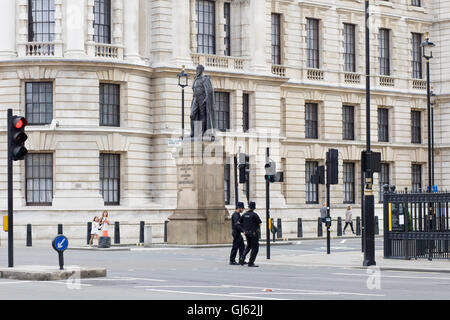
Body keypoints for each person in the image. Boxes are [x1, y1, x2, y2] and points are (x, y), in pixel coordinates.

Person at [190, 64, 216, 139]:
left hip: (202, 98)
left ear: (201, 70)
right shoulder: (196, 79)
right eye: (196, 69)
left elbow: (209, 91)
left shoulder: (205, 78)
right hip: (195, 98)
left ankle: (202, 132)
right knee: (192, 115)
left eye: (198, 70)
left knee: (202, 116)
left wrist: (206, 99)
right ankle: (193, 131)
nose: (197, 71)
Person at [239, 201, 262, 267]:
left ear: (249, 207)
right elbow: (260, 224)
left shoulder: (244, 214)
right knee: (255, 248)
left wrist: (244, 229)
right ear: (254, 208)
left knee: (248, 246)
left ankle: (242, 258)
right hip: (254, 234)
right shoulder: (254, 215)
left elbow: (239, 223)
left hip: (246, 233)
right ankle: (251, 262)